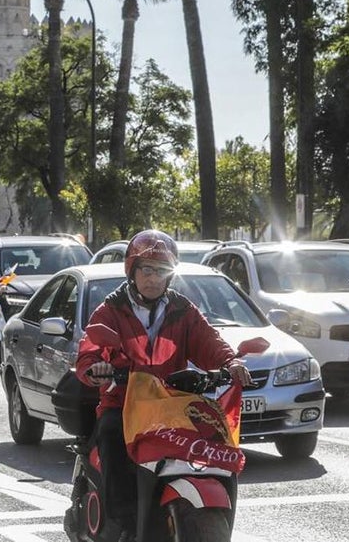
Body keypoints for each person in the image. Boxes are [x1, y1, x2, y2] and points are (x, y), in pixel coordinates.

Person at [74, 230, 253, 542]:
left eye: (161, 270)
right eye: (147, 269)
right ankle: (126, 524)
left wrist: (231, 363)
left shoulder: (182, 310)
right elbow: (90, 349)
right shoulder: (111, 310)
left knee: (212, 437)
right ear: (132, 270)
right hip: (124, 404)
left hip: (172, 405)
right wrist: (96, 368)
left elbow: (209, 341)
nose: (153, 278)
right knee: (110, 432)